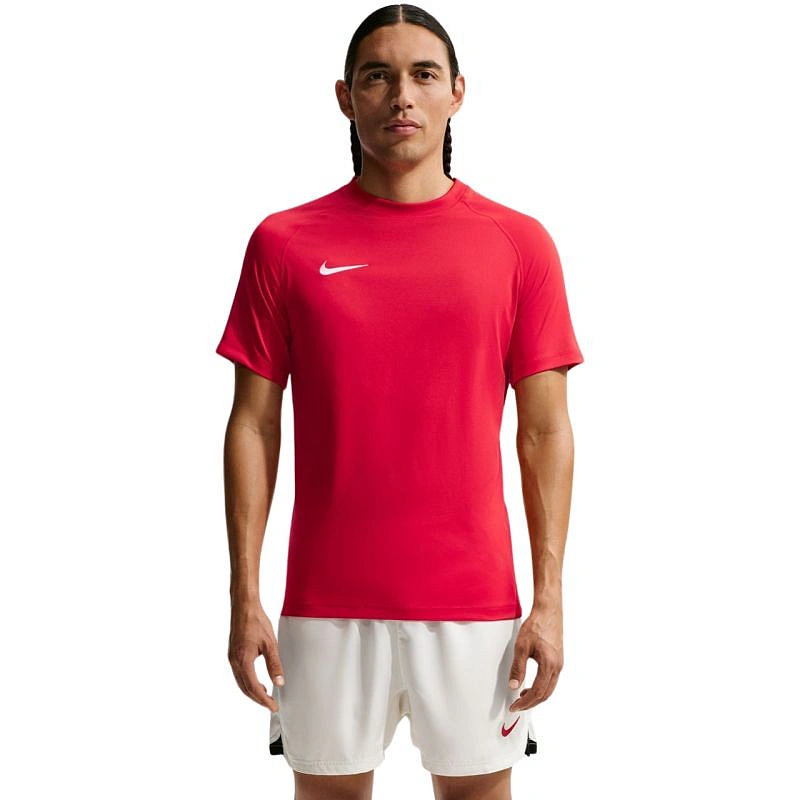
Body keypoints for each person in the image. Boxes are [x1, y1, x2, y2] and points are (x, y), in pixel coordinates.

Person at [215, 4, 584, 799]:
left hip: (475, 602)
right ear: (346, 97)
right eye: (378, 76)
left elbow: (545, 431)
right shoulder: (284, 243)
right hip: (325, 600)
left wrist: (549, 600)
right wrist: (245, 594)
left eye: (422, 75)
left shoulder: (518, 244)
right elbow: (253, 423)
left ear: (457, 92)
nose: (401, 96)